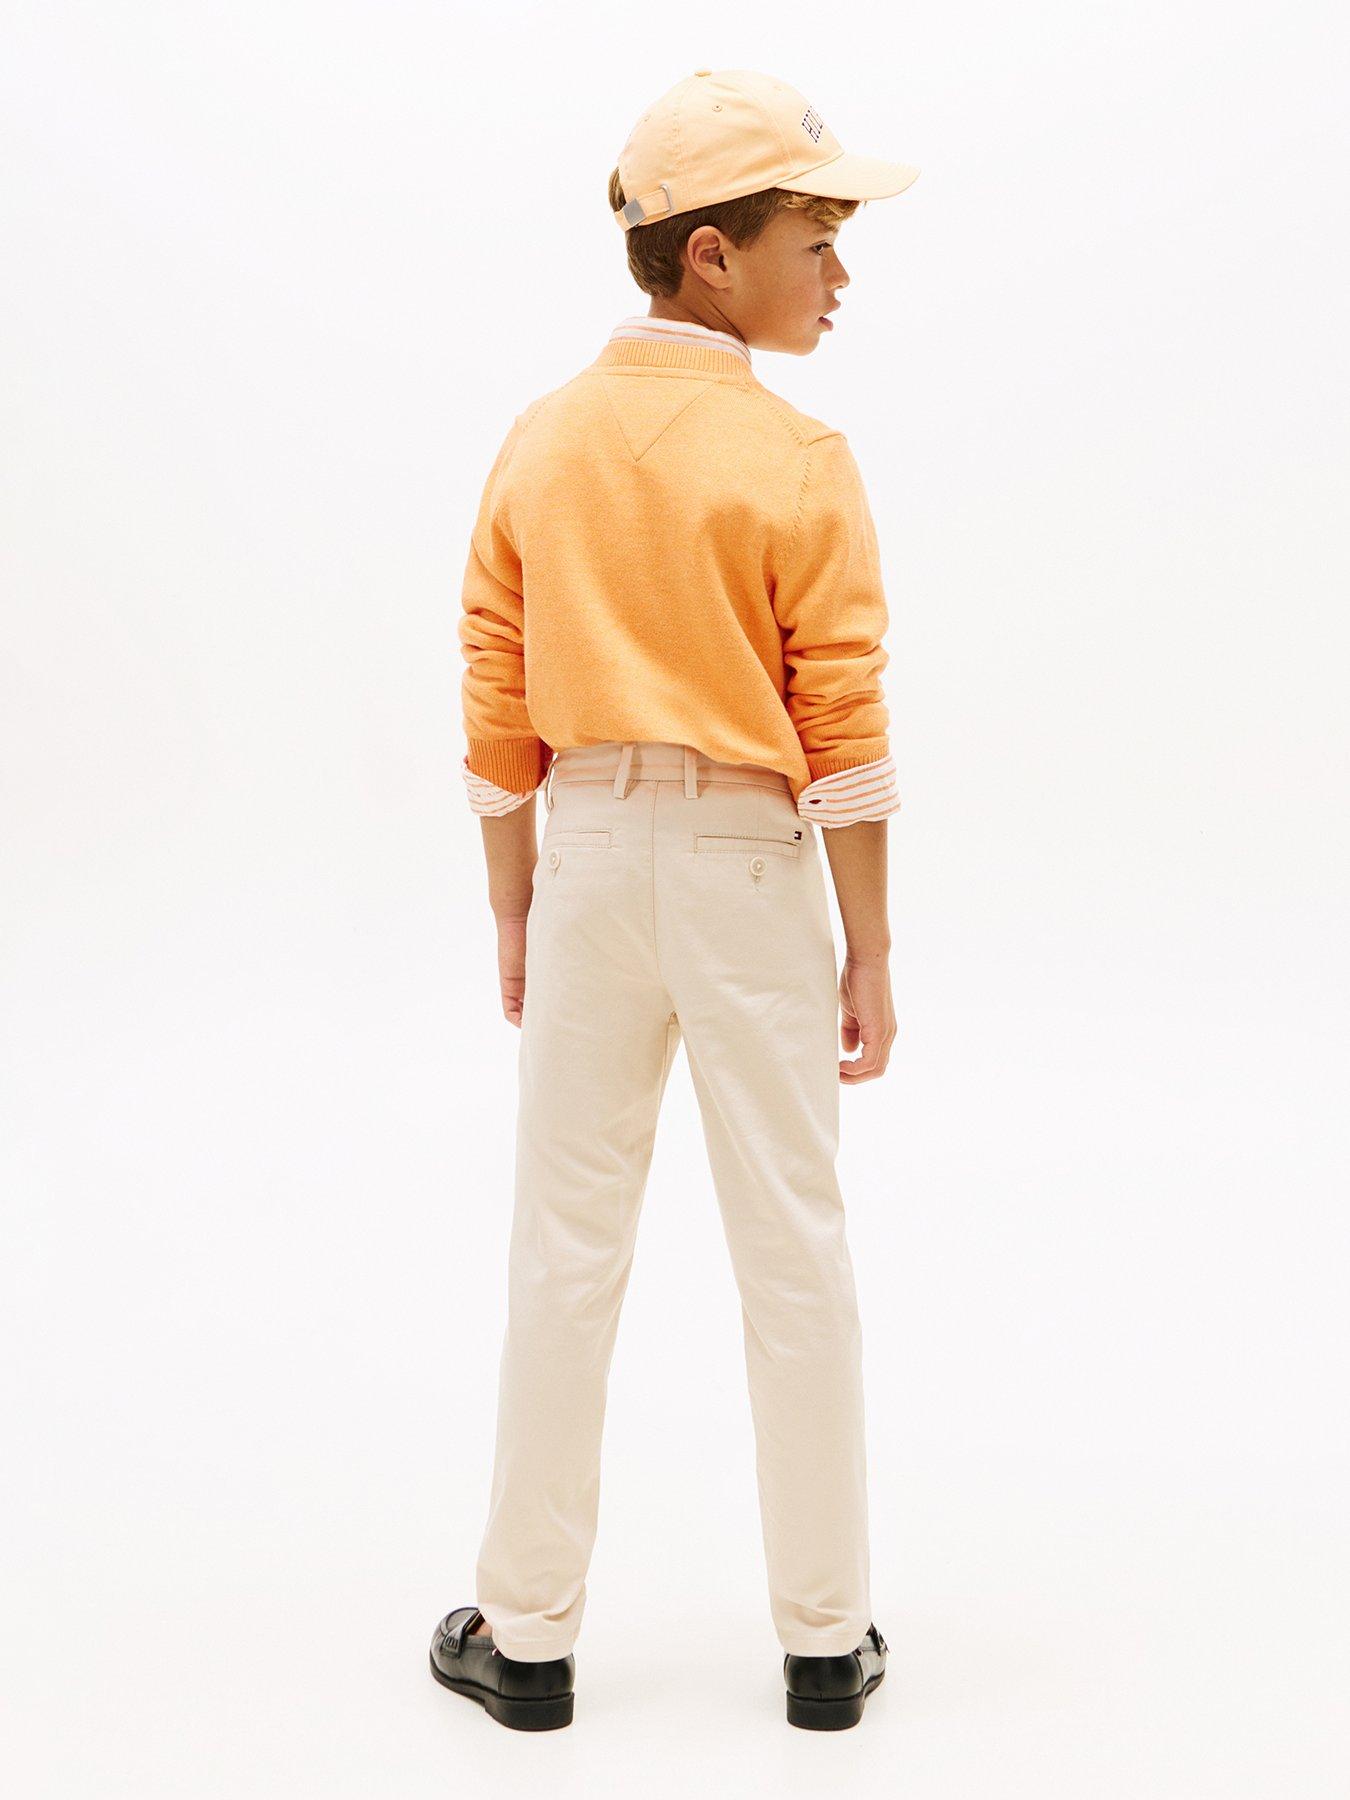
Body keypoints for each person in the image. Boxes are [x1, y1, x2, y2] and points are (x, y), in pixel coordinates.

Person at [428, 66, 919, 1732]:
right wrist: (868, 945)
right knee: (793, 1245)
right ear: (710, 254)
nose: (838, 276)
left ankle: (526, 1639)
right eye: (813, 239)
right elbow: (838, 719)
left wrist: (514, 904)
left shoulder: (540, 440)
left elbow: (496, 691)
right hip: (743, 865)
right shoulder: (796, 457)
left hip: (582, 852)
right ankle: (823, 1645)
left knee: (565, 1247)